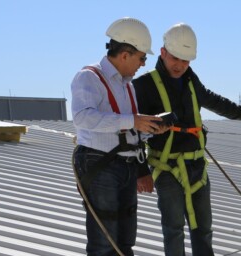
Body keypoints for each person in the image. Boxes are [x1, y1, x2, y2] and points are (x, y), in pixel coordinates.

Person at [133, 23, 241, 255]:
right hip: (167, 168)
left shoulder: (191, 81)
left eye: (186, 61)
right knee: (173, 229)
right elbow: (132, 132)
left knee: (203, 228)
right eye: (175, 58)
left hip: (196, 166)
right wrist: (141, 171)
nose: (180, 66)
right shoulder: (143, 86)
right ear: (163, 53)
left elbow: (214, 101)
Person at [71, 17, 169, 255]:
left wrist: (147, 130)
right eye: (142, 58)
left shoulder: (127, 86)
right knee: (104, 241)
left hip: (124, 165)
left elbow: (124, 131)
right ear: (125, 54)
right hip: (100, 162)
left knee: (125, 239)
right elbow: (83, 118)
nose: (143, 64)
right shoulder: (89, 77)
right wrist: (133, 121)